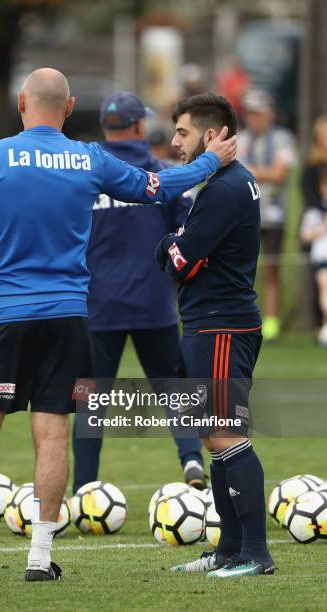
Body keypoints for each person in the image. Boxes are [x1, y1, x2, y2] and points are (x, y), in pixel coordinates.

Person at [0, 69, 235, 585]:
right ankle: (38, 561)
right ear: (70, 105)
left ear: (20, 103)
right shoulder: (89, 158)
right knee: (52, 432)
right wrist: (213, 160)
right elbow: (157, 186)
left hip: (7, 315)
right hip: (70, 317)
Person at [156, 93, 274, 577]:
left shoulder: (225, 188)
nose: (174, 141)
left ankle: (256, 554)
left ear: (209, 136)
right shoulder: (224, 183)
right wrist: (177, 246)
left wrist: (168, 244)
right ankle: (228, 550)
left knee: (226, 434)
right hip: (209, 323)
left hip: (222, 325)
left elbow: (179, 263)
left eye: (182, 132)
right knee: (212, 435)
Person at [72, 91, 206, 494]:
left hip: (96, 307)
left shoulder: (86, 175)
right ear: (139, 126)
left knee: (89, 403)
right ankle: (192, 461)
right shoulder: (160, 174)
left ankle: (82, 489)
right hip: (154, 304)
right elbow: (189, 233)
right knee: (175, 390)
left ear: (105, 128)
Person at [238, 90, 297, 342]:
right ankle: (243, 318)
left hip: (273, 212)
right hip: (245, 212)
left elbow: (280, 174)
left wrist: (254, 171)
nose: (255, 119)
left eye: (258, 113)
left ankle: (272, 321)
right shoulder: (240, 139)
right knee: (241, 269)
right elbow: (237, 173)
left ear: (269, 113)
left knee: (272, 267)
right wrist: (265, 172)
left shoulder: (283, 138)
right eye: (250, 113)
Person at [300, 116, 327, 346]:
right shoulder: (311, 165)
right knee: (320, 283)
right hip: (318, 228)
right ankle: (319, 326)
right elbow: (309, 197)